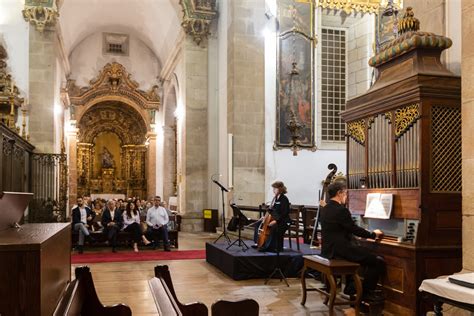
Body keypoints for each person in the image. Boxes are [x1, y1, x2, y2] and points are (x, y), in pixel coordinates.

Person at [320, 181, 385, 302]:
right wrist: (373, 234)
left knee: (362, 256)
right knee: (377, 261)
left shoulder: (325, 208)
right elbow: (354, 229)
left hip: (328, 249)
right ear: (339, 193)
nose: (346, 196)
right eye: (345, 193)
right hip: (340, 251)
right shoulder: (341, 210)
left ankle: (351, 287)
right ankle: (365, 293)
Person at [252, 181, 291, 252]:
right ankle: (258, 243)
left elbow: (284, 213)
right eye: (273, 189)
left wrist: (275, 221)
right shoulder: (275, 199)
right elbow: (272, 211)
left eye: (275, 189)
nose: (273, 190)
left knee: (273, 227)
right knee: (258, 224)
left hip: (284, 221)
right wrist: (265, 217)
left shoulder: (284, 199)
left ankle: (269, 247)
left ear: (280, 189)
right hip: (276, 219)